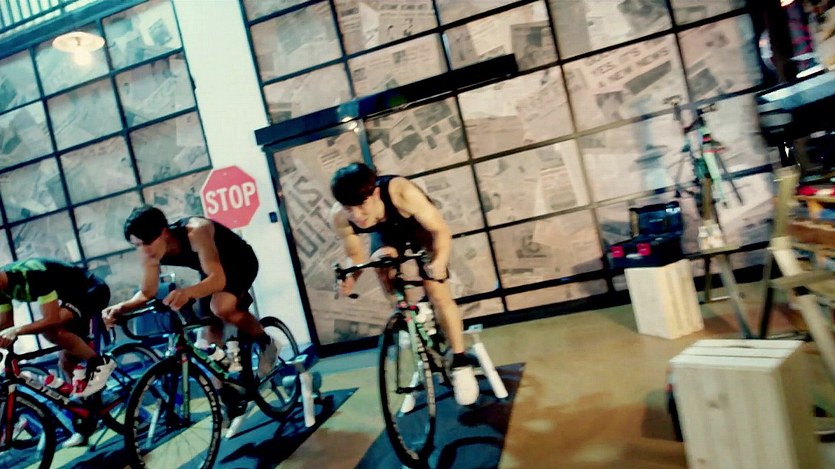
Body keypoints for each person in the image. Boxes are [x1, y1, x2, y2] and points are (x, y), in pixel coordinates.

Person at [329, 162, 479, 406]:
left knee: (437, 290)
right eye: (349, 208)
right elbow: (356, 257)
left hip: (418, 228)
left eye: (361, 205)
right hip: (387, 234)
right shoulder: (339, 216)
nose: (356, 215)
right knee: (381, 263)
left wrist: (439, 262)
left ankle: (460, 363)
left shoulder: (402, 192)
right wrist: (350, 279)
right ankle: (407, 315)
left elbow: (441, 231)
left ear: (376, 193)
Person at [101, 206, 276, 377]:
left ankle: (266, 342)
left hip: (240, 261)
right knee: (208, 330)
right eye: (137, 245)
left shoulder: (197, 231)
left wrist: (187, 292)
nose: (144, 250)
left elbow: (218, 280)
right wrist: (122, 307)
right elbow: (147, 293)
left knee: (221, 308)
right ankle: (224, 390)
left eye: (147, 243)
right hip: (211, 270)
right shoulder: (150, 253)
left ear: (164, 232)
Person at [0, 258, 115, 398]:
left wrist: (17, 331)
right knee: (66, 362)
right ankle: (86, 401)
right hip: (73, 297)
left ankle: (101, 363)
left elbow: (51, 320)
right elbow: (5, 325)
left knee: (50, 330)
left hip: (92, 290)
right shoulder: (2, 287)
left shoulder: (31, 275)